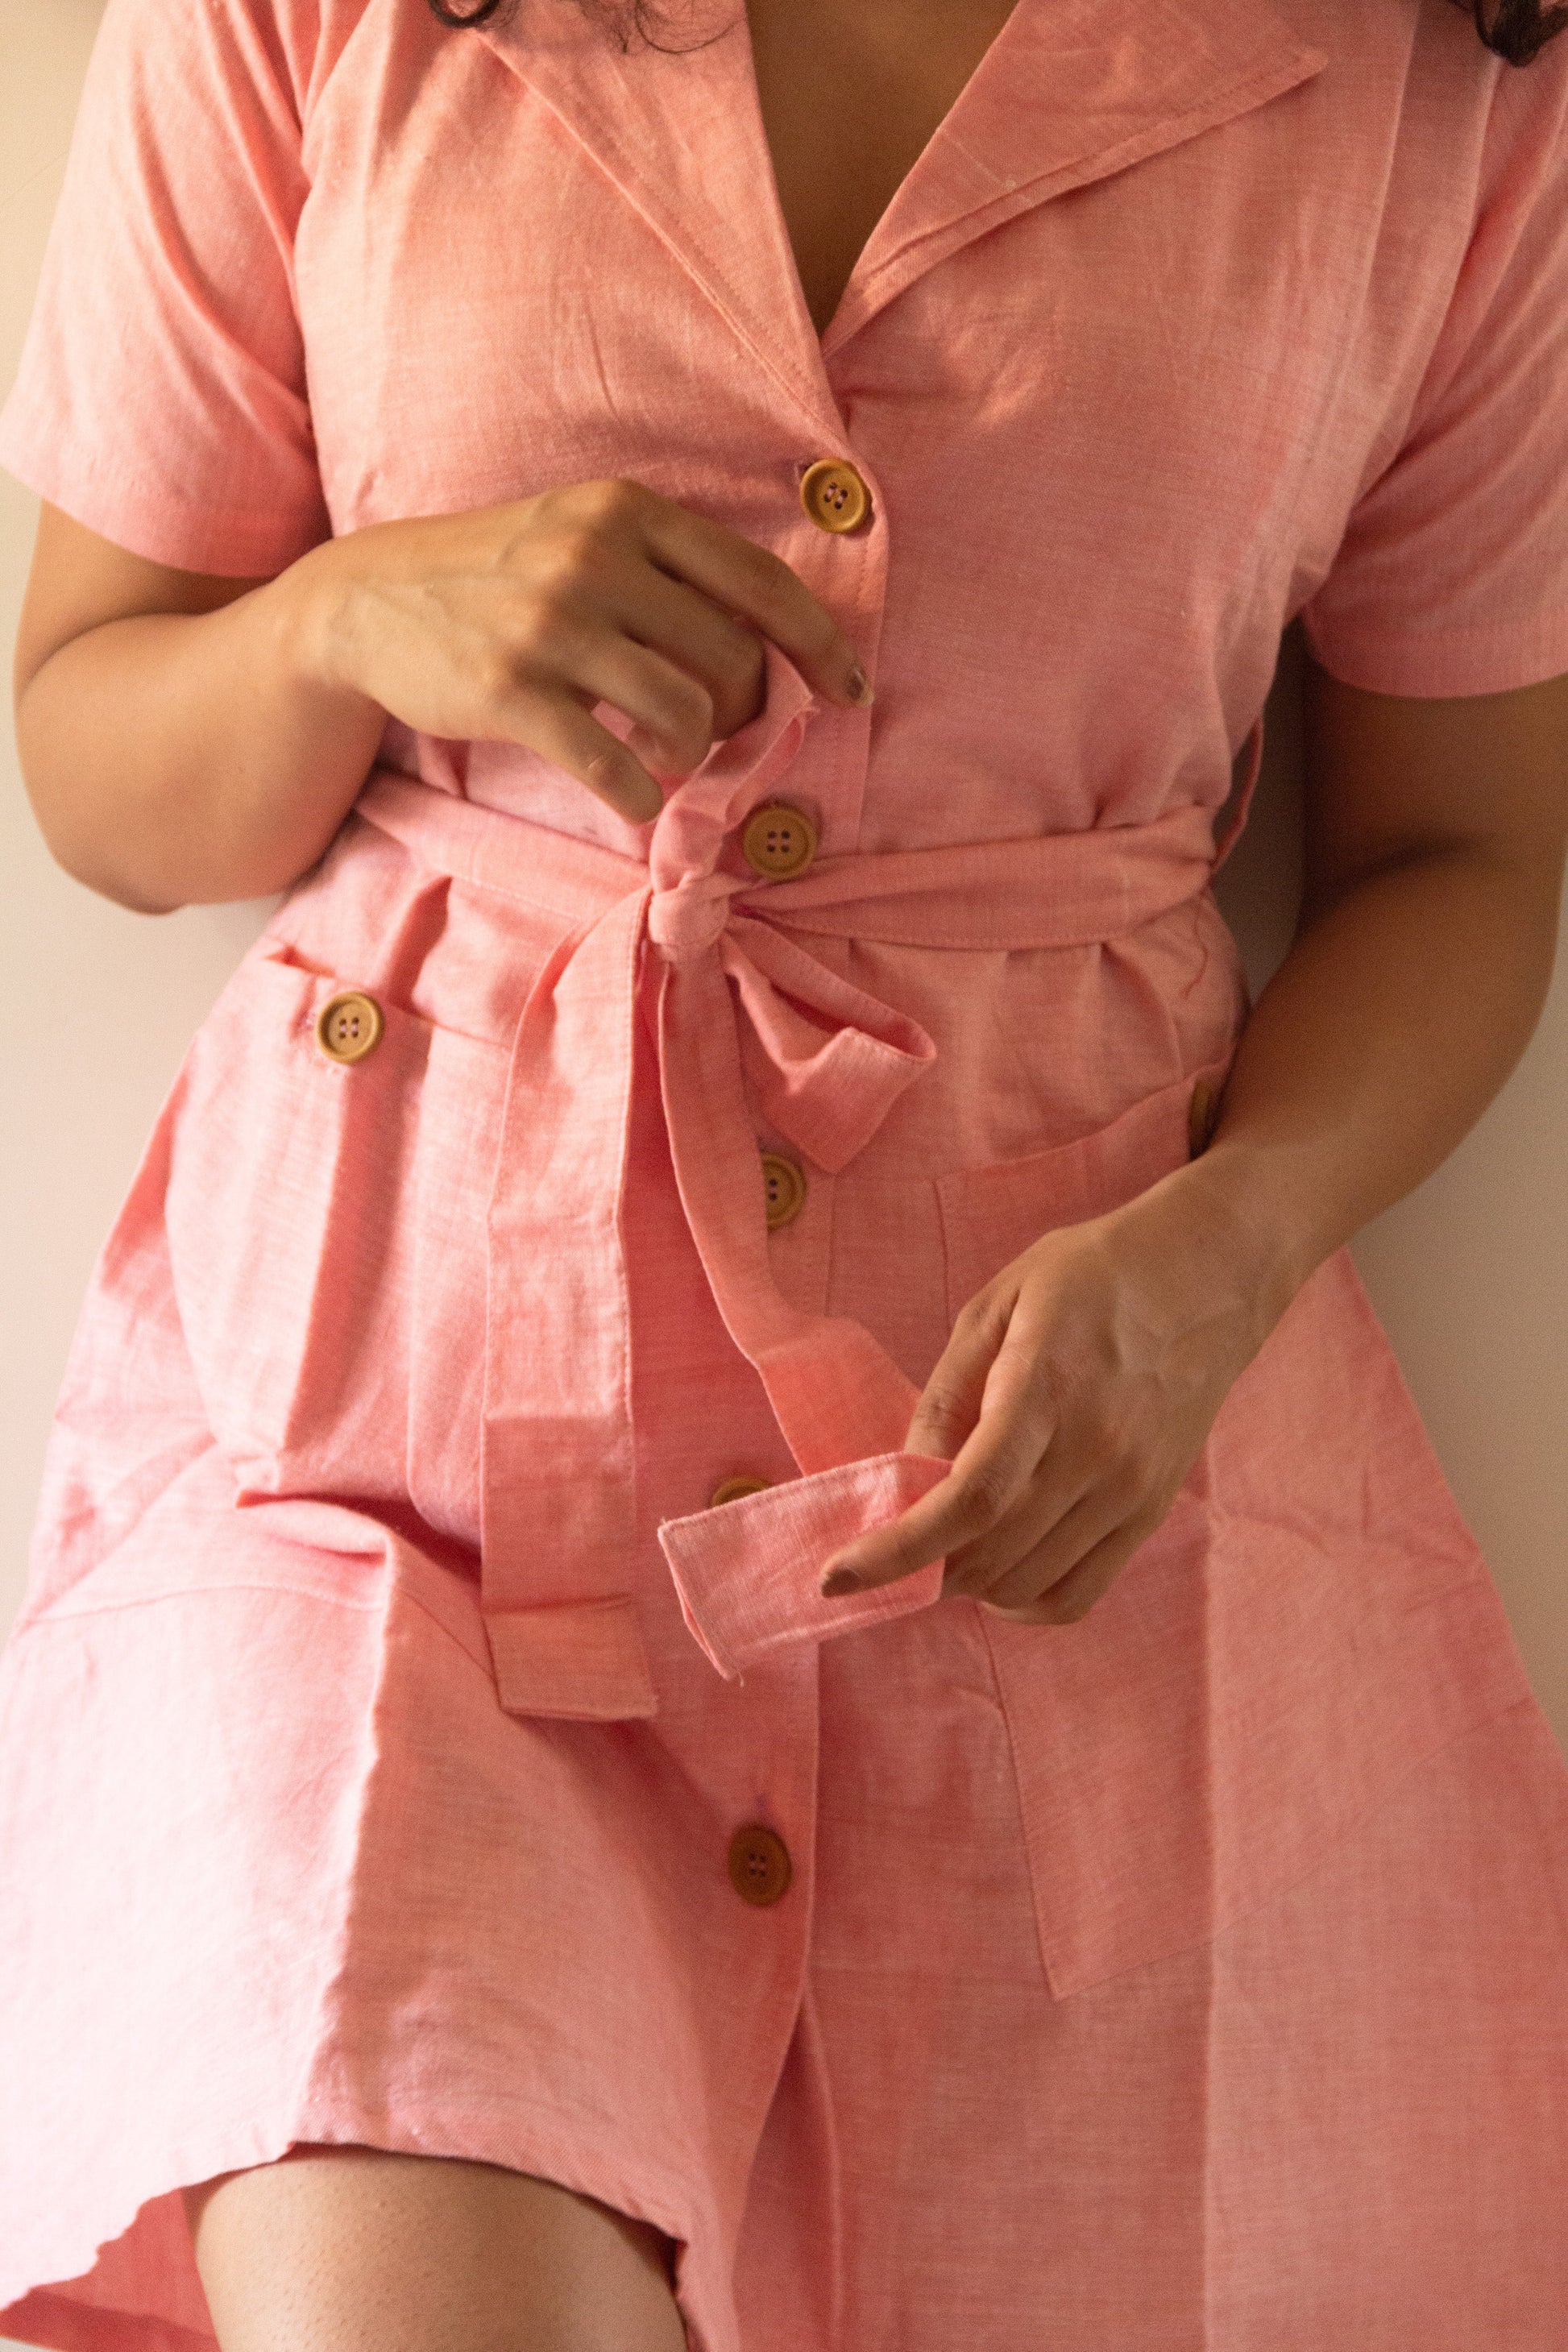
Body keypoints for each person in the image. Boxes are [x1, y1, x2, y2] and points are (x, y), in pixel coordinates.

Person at [3, 0, 1568, 2341]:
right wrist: (348, 615)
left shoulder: (1442, 88)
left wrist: (1227, 1249)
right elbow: (97, 768)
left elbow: (1458, 853)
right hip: (383, 1449)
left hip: (1029, 1489)